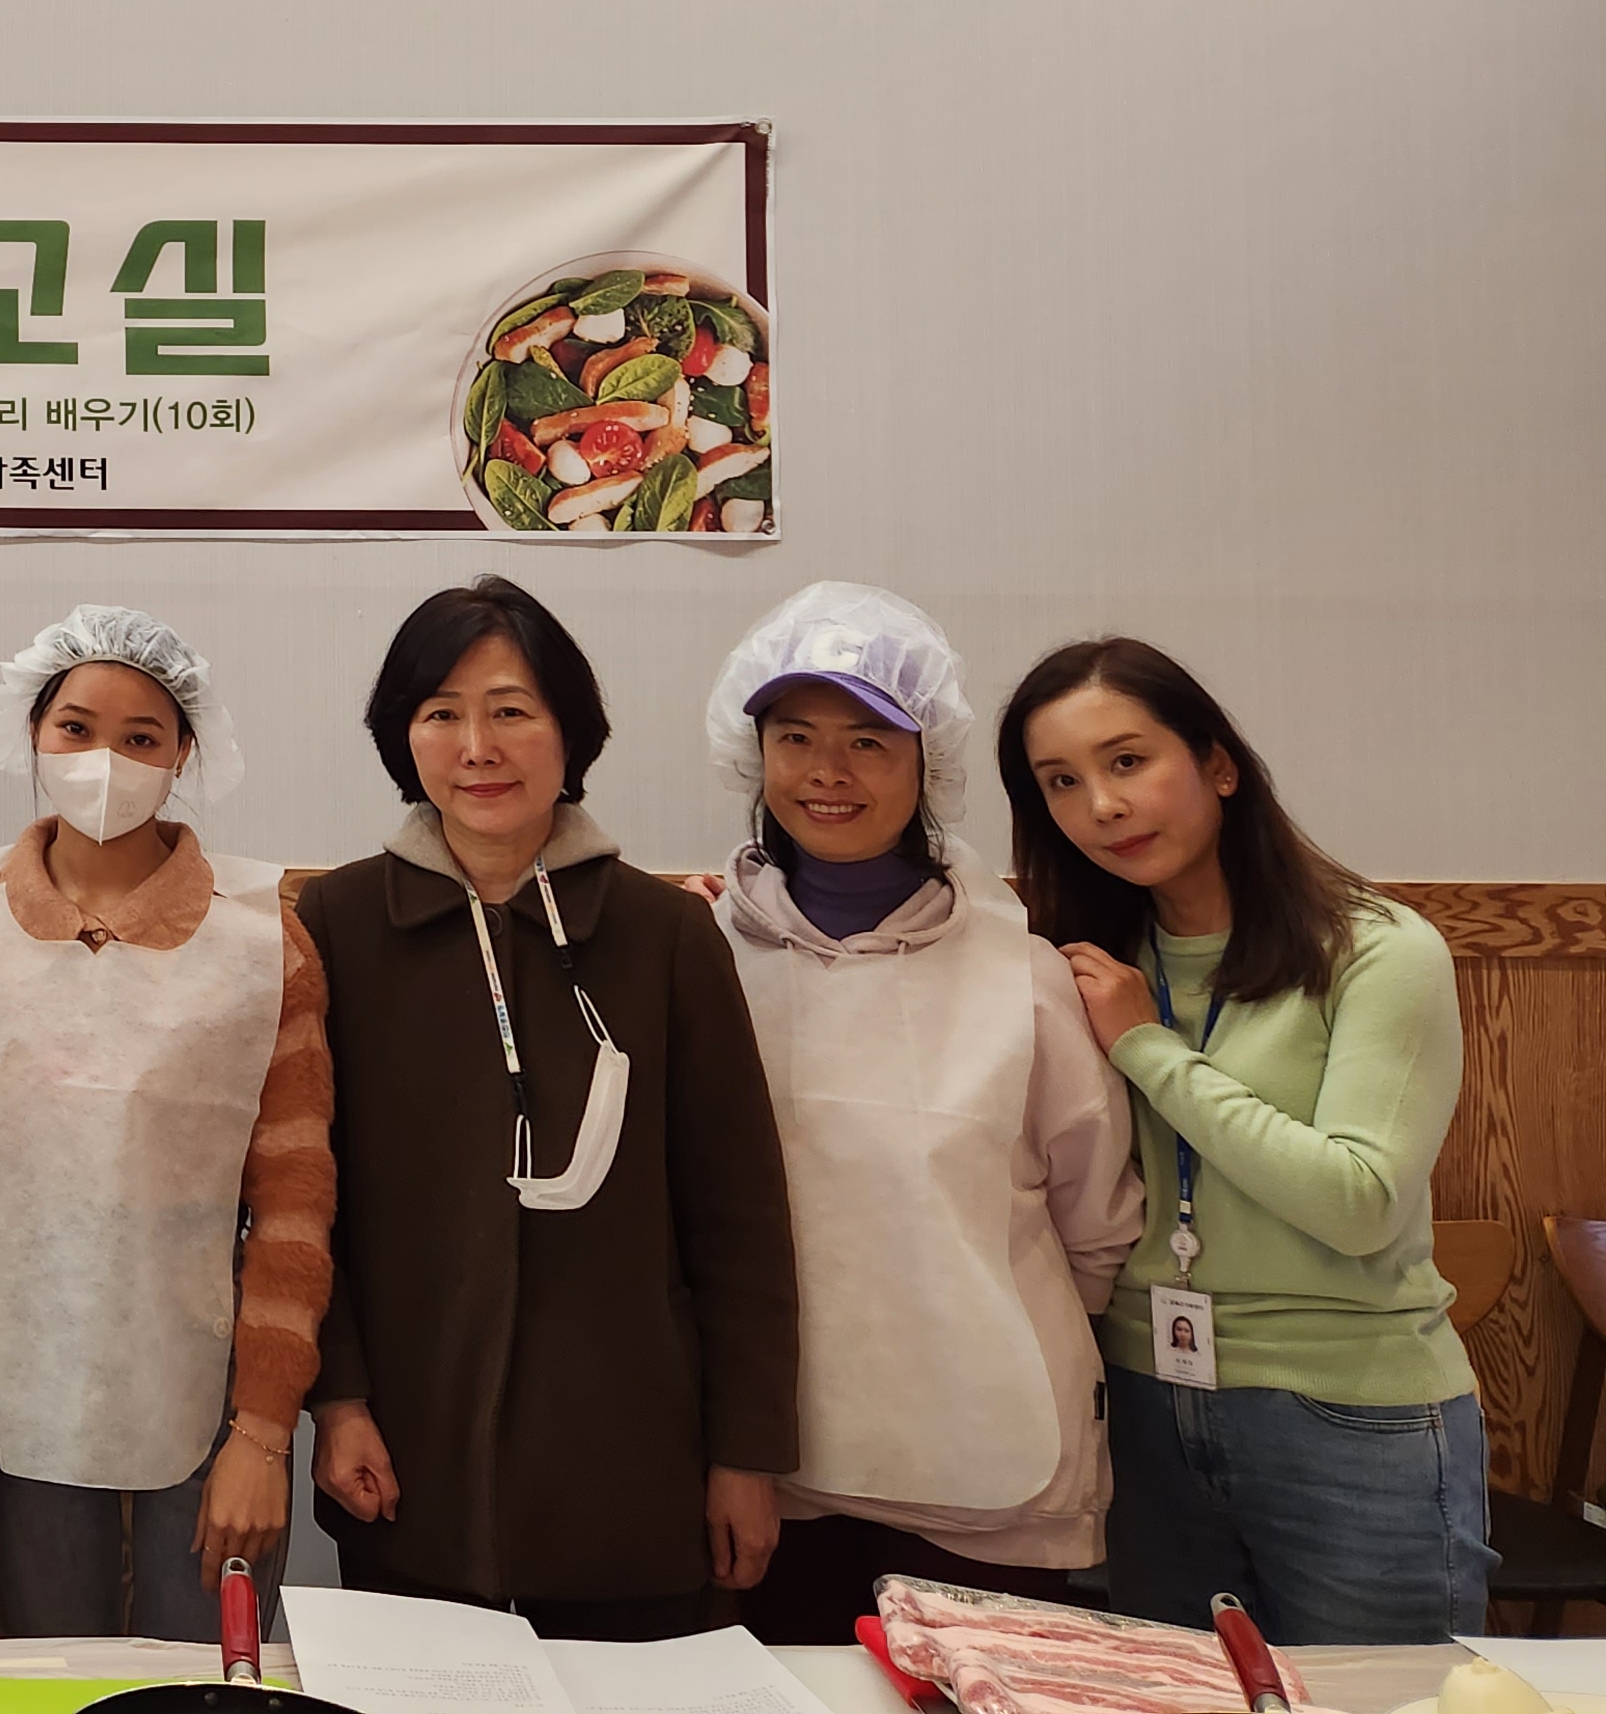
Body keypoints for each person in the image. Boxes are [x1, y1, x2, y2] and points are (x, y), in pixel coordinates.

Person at [300, 575, 800, 1639]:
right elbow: (306, 1196)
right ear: (403, 738)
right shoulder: (338, 922)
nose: (477, 747)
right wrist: (336, 1403)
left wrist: (746, 1455)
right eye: (441, 714)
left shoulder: (666, 935)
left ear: (571, 731)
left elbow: (740, 1219)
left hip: (633, 1463)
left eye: (511, 711)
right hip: (410, 1458)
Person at [999, 635, 1493, 1641]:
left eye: (1127, 760)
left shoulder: (1377, 950)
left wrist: (1149, 1049)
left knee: (1380, 1706)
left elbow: (1357, 1202)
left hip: (1348, 1413)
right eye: (1062, 782)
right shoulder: (1073, 962)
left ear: (1217, 765)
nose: (1102, 805)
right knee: (1175, 1701)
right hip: (1141, 1399)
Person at [693, 584, 1142, 1642]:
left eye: (867, 741)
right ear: (754, 756)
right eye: (794, 737)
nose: (827, 771)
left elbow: (1096, 1226)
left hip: (989, 1467)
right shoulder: (703, 961)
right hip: (767, 1468)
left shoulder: (1022, 976)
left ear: (926, 761)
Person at [0, 606, 324, 1639]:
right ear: (31, 734)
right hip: (6, 1408)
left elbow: (294, 1207)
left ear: (184, 752)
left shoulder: (262, 941)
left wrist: (262, 1434)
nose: (103, 760)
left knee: (200, 1682)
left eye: (141, 736)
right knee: (31, 1687)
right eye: (75, 729)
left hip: (206, 1407)